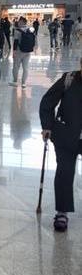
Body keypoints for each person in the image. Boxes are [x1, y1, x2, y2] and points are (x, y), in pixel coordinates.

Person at [39, 58, 82, 232]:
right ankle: (62, 212)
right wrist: (47, 126)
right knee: (65, 171)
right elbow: (47, 102)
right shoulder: (68, 79)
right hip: (65, 134)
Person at [10, 17, 35, 88]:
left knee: (16, 67)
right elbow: (34, 40)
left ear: (22, 22)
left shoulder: (17, 30)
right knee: (25, 68)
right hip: (28, 51)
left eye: (19, 21)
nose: (18, 22)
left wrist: (14, 51)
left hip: (19, 51)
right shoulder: (30, 30)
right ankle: (23, 83)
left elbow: (16, 41)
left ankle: (15, 81)